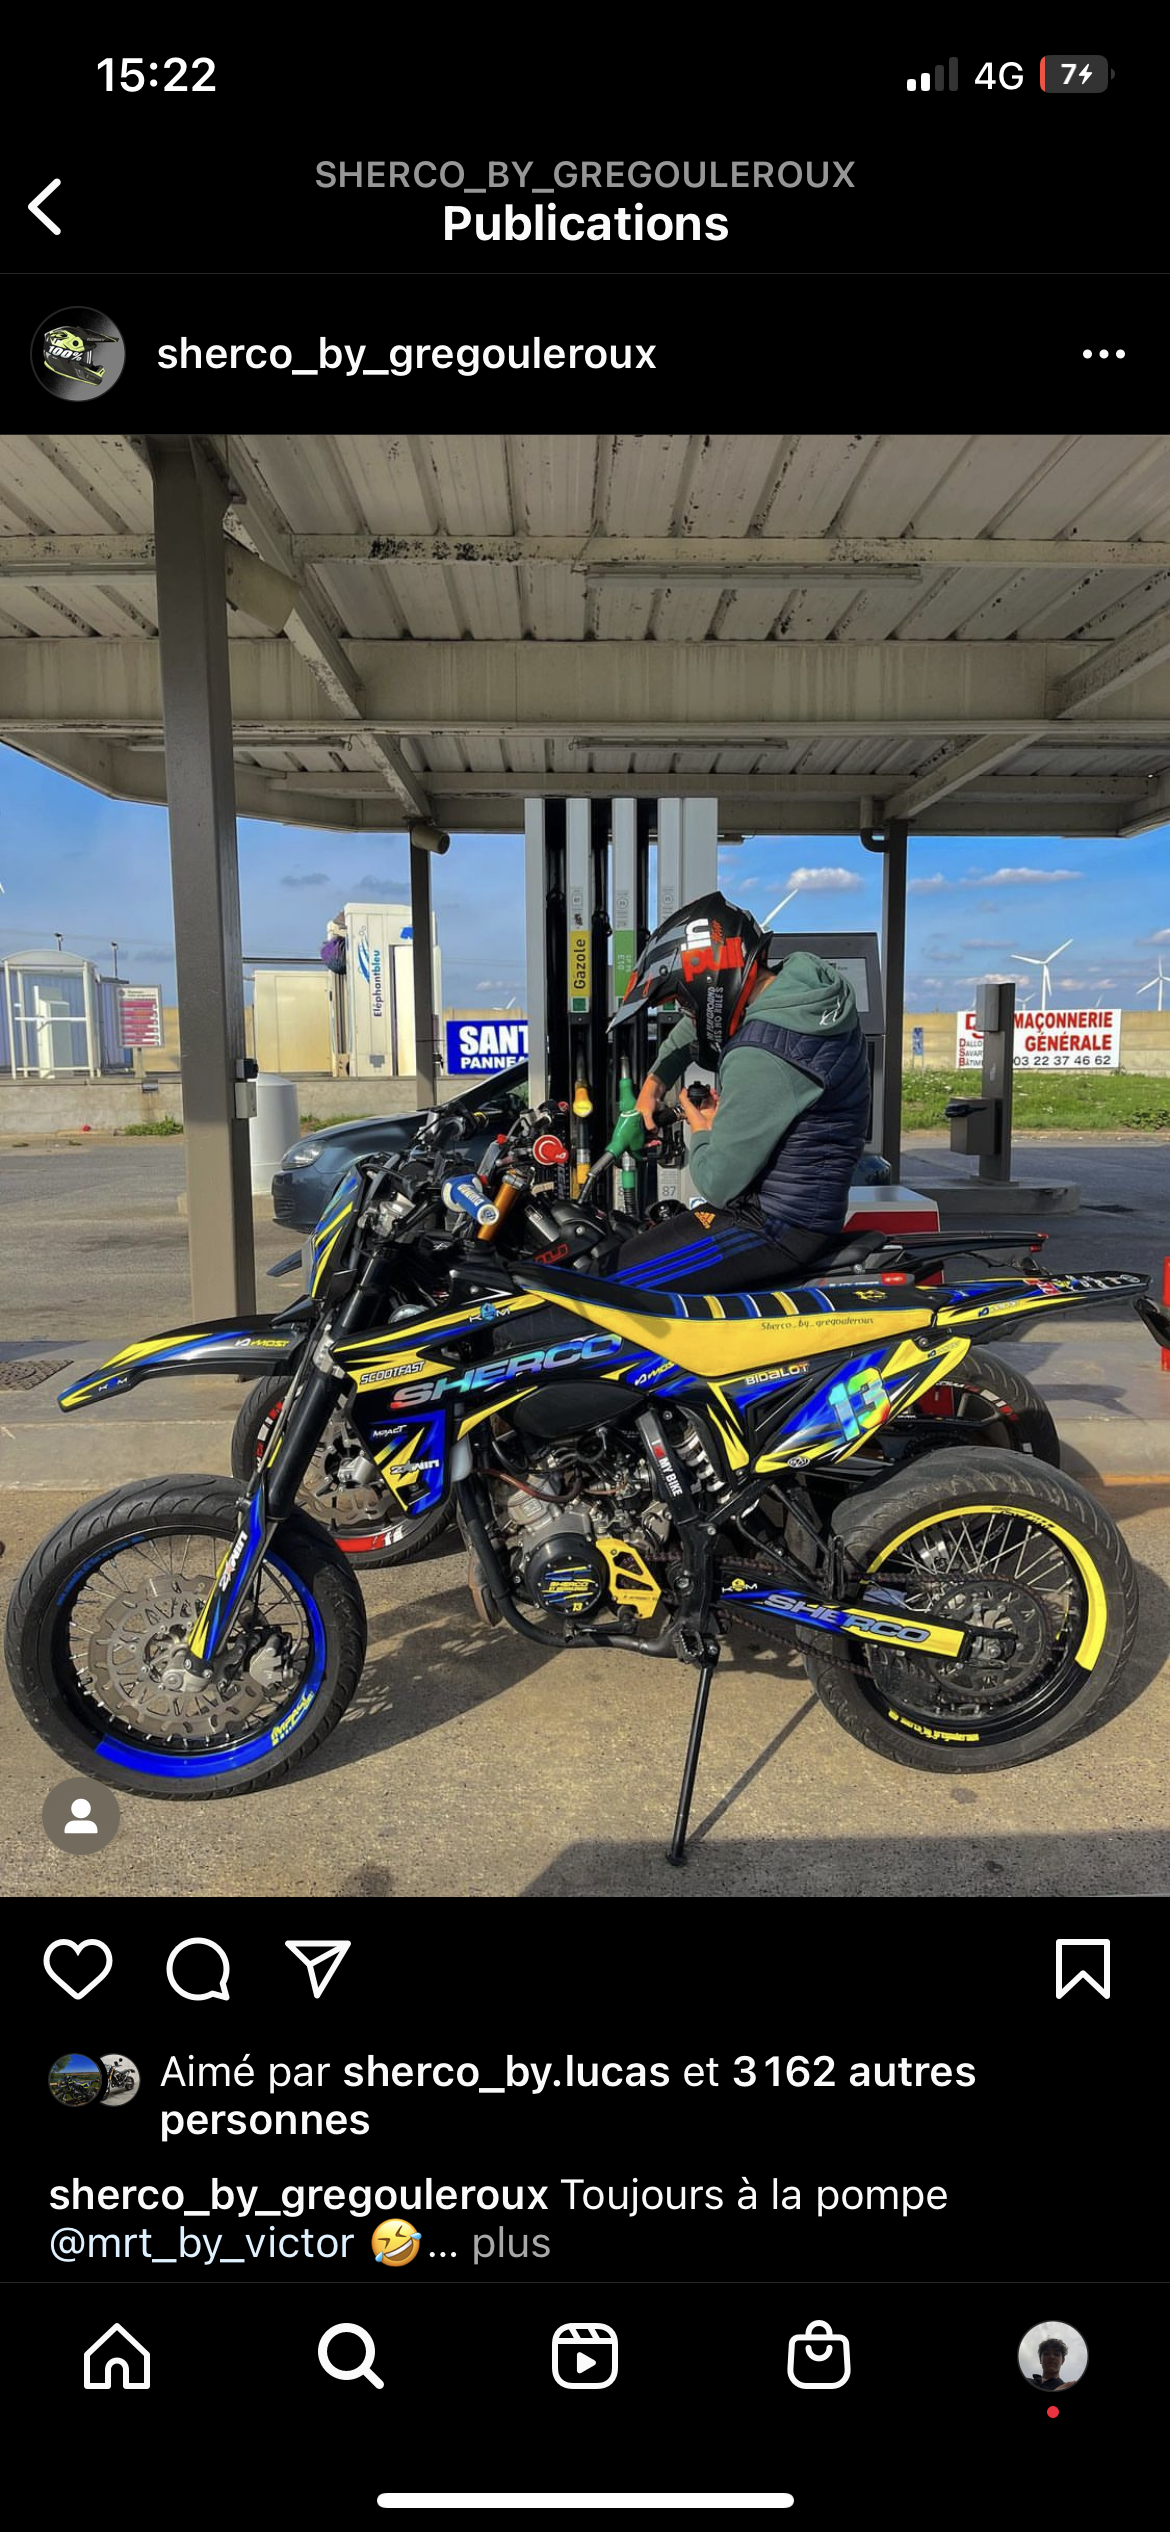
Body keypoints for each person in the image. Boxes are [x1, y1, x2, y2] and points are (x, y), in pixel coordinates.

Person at [607, 891, 870, 1291]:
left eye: (685, 1001)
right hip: (806, 1207)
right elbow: (695, 1027)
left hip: (776, 1227)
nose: (688, 1013)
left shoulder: (760, 1055)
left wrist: (702, 1128)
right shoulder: (802, 993)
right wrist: (653, 1087)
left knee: (611, 1280)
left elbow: (717, 1182)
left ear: (711, 985)